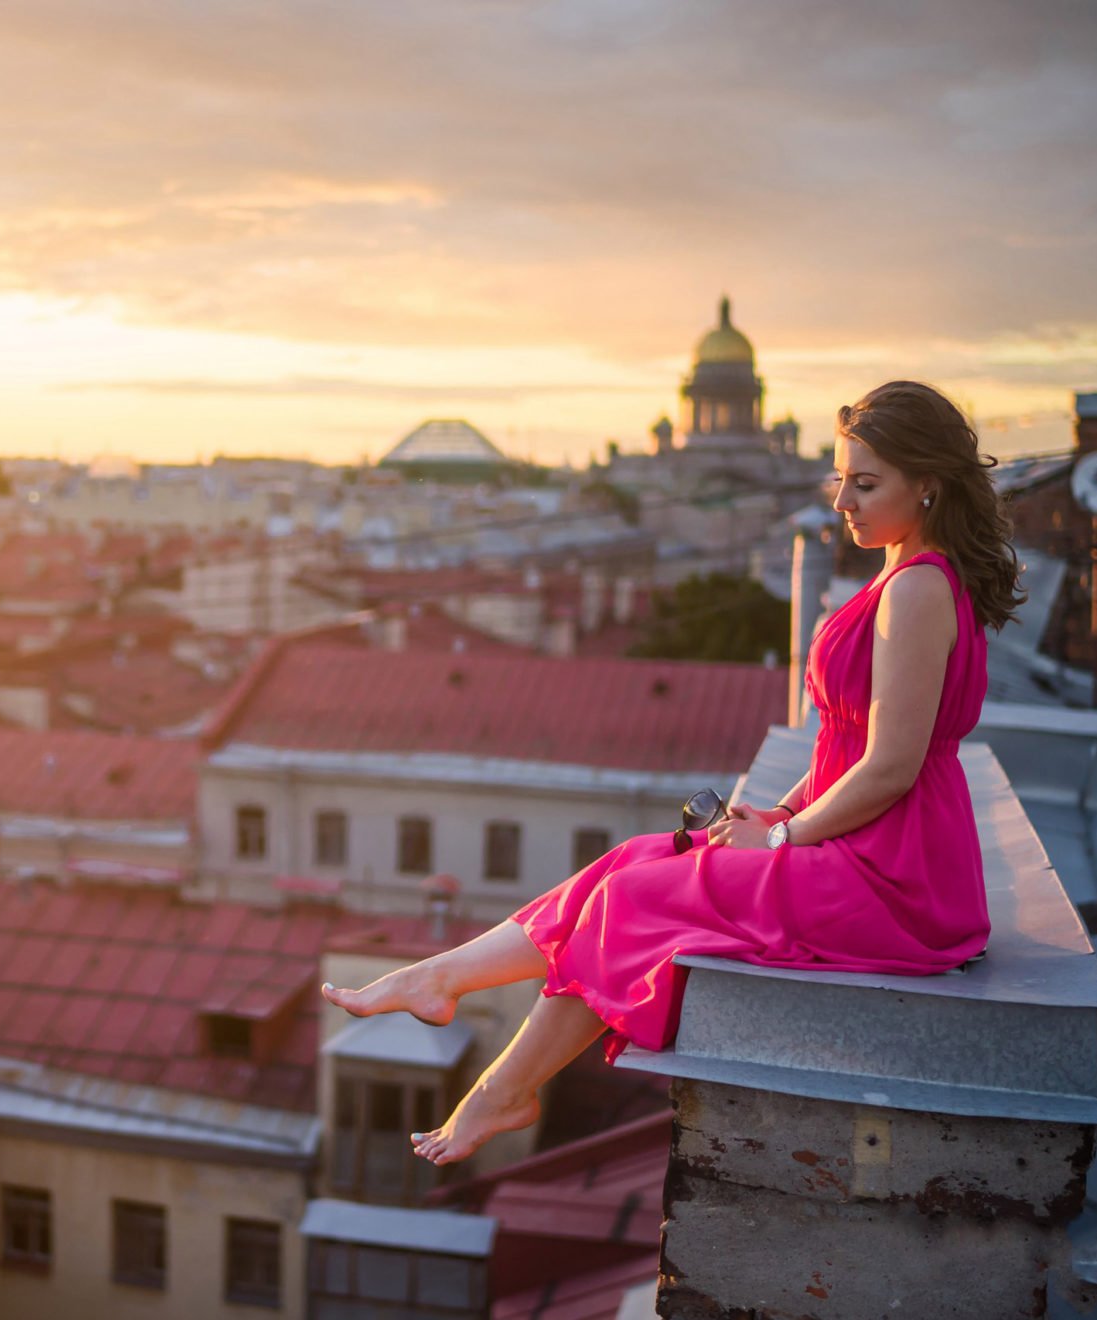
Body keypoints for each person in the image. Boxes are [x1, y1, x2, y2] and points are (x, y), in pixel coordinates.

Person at [321, 380, 1025, 1166]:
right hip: (861, 843)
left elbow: (891, 766)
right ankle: (440, 977)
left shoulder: (919, 588)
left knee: (633, 903)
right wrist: (769, 819)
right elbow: (843, 742)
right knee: (634, 860)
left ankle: (502, 1091)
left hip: (898, 879)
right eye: (839, 481)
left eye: (864, 485)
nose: (841, 504)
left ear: (927, 482)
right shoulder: (900, 572)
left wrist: (787, 836)